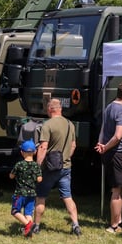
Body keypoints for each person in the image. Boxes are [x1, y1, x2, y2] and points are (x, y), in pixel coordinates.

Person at [95, 80, 122, 234]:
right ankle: (113, 226)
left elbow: (103, 128)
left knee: (121, 187)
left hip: (111, 153)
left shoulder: (109, 107)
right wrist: (106, 147)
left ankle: (119, 221)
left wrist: (101, 143)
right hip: (119, 153)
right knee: (117, 190)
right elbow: (118, 136)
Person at [34, 98, 81, 236]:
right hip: (66, 167)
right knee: (67, 196)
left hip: (49, 168)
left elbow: (43, 147)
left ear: (50, 109)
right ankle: (76, 225)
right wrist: (66, 157)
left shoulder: (47, 125)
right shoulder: (70, 124)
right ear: (60, 109)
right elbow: (73, 145)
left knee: (41, 196)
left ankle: (36, 226)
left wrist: (37, 165)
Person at [9, 140, 43, 237]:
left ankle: (28, 225)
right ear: (35, 152)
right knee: (28, 213)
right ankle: (29, 232)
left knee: (15, 211)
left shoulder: (19, 164)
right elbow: (39, 179)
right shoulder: (36, 166)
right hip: (31, 194)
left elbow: (11, 176)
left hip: (20, 193)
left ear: (22, 152)